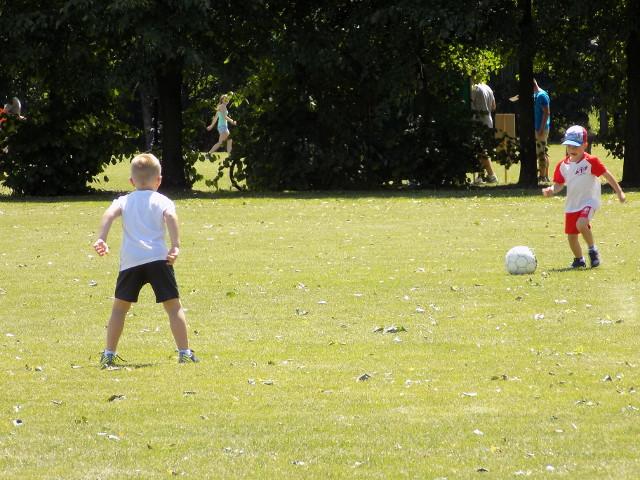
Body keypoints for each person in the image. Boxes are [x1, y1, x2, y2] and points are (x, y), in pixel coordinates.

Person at [93, 153, 199, 367]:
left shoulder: (124, 201)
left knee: (119, 309)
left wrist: (101, 238)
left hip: (131, 261)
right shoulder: (163, 200)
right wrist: (175, 245)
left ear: (131, 181)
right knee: (173, 307)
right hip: (159, 259)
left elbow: (109, 214)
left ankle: (109, 354)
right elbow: (171, 217)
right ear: (159, 180)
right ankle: (185, 353)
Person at [542, 125, 625, 269]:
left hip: (590, 201)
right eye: (569, 146)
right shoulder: (563, 165)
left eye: (576, 146)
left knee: (581, 224)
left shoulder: (591, 161)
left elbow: (607, 175)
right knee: (571, 236)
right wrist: (552, 190)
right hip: (572, 205)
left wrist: (619, 192)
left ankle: (592, 250)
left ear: (585, 145)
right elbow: (559, 184)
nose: (572, 149)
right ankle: (579, 260)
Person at [471, 81, 499, 184]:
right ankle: (480, 176)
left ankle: (491, 175)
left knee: (480, 150)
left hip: (479, 122)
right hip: (489, 122)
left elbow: (470, 106)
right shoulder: (488, 88)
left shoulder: (474, 89)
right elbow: (493, 106)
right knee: (482, 150)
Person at [533, 79, 551, 184]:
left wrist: (541, 128)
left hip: (541, 129)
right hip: (536, 127)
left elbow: (546, 113)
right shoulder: (535, 95)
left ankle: (542, 177)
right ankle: (545, 176)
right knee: (542, 151)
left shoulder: (542, 95)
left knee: (541, 152)